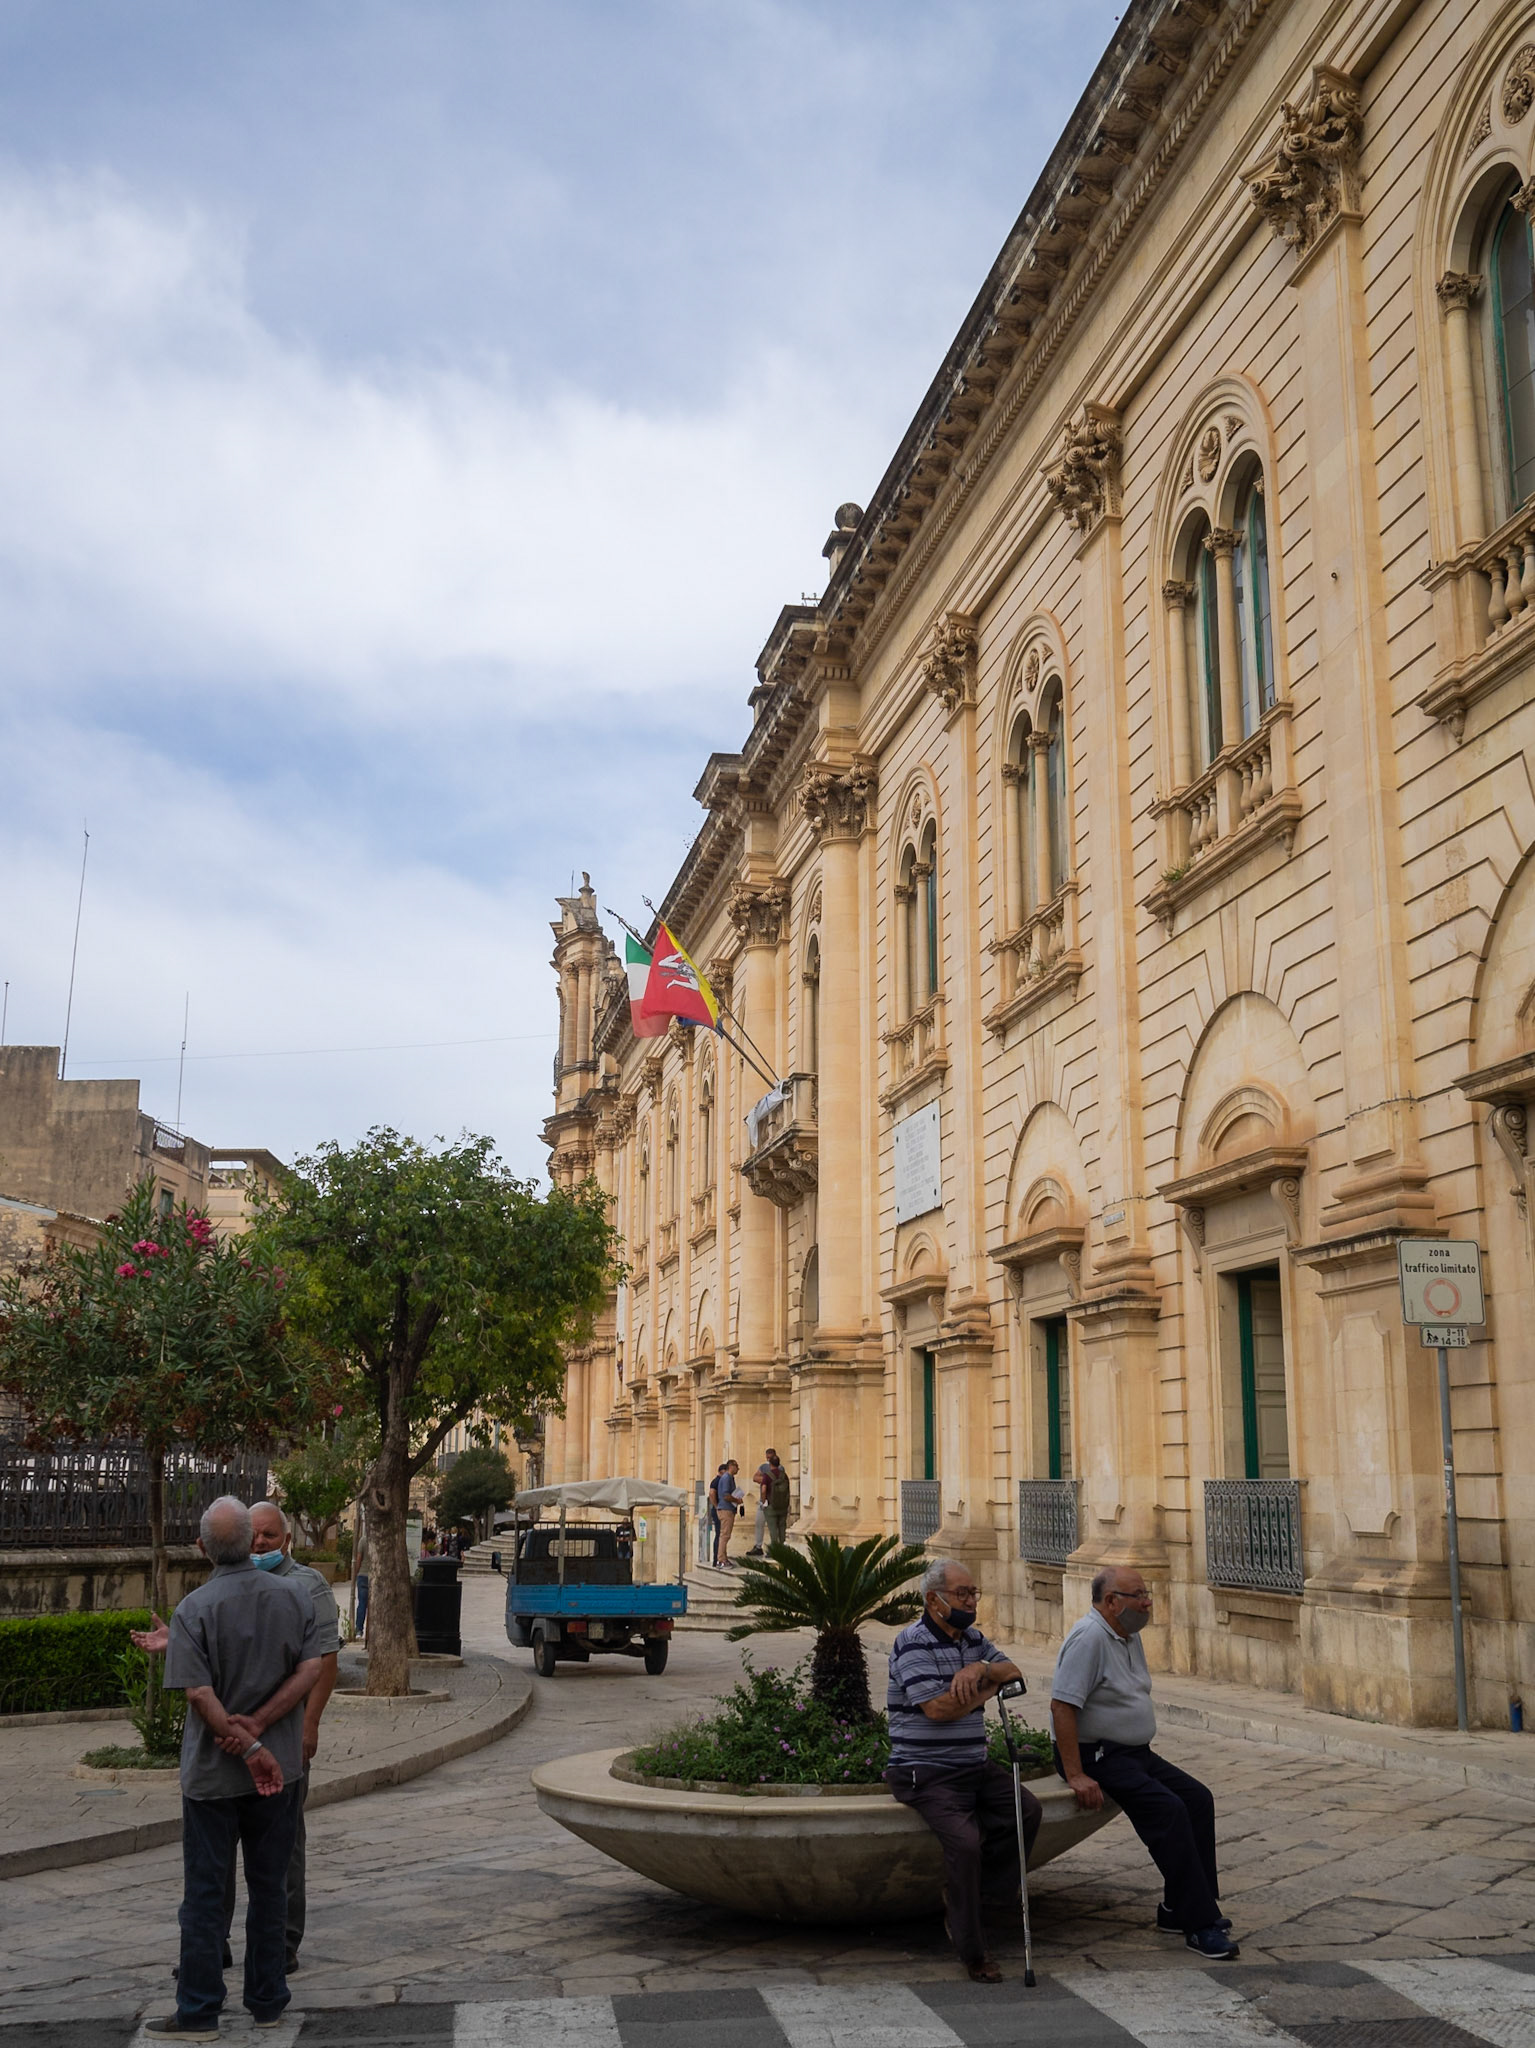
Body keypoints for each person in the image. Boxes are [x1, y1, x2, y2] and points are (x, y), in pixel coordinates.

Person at [139, 1496, 321, 2040]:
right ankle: (267, 2001)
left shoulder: (193, 1609)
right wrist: (262, 1731)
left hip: (213, 1780)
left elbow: (199, 1693)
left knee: (205, 1894)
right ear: (250, 1543)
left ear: (202, 1548)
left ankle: (198, 2012)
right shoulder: (294, 1595)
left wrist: (242, 1745)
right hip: (279, 1775)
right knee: (270, 1889)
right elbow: (312, 1668)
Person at [1051, 1565, 1238, 1960]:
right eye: (1139, 1595)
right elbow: (1062, 1706)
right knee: (1167, 1811)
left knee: (1197, 1799)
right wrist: (1075, 1774)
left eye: (1146, 1593)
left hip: (1133, 1753)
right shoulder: (1089, 1639)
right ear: (1112, 1602)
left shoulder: (1127, 1634)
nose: (1147, 1602)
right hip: (1097, 1754)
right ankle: (1199, 1923)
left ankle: (1177, 1907)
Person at [885, 1558, 1040, 1983]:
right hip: (925, 1771)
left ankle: (980, 1898)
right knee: (966, 1843)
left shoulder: (973, 1640)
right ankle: (973, 1950)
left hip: (972, 1764)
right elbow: (937, 1709)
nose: (971, 1601)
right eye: (963, 1594)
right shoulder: (911, 1643)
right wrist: (987, 1690)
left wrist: (981, 1670)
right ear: (934, 1600)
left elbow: (1014, 1673)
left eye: (974, 1594)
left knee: (1026, 1811)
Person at [711, 1460, 743, 1565]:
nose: (738, 1469)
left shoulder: (729, 1478)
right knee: (724, 1535)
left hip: (727, 1509)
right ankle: (721, 1559)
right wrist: (737, 1500)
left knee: (725, 1535)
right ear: (731, 1466)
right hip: (726, 1509)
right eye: (736, 1466)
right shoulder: (727, 1478)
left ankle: (723, 1557)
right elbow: (726, 1495)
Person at [761, 1449, 791, 1550]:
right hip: (783, 1505)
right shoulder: (784, 1475)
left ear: (770, 1463)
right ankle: (782, 1546)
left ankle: (775, 1549)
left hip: (771, 1506)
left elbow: (764, 1489)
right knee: (782, 1526)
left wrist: (763, 1501)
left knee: (773, 1528)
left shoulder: (767, 1475)